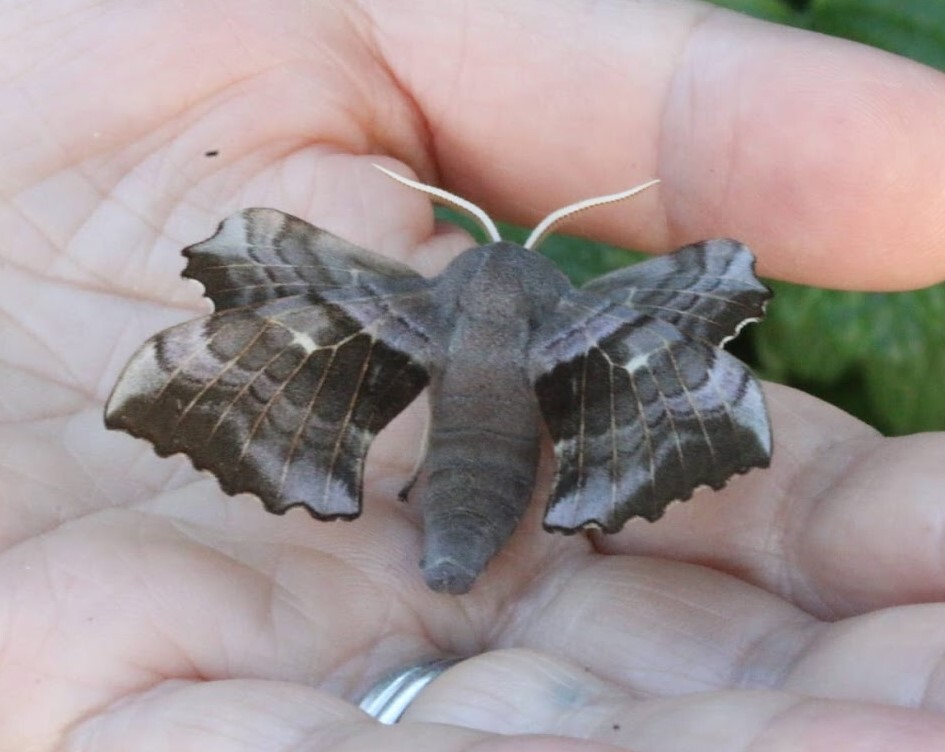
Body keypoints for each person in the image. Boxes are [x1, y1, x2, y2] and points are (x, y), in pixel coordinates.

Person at [2, 2, 945, 749]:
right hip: (511, 478)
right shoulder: (610, 313)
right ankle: (585, 476)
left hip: (438, 456)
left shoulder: (375, 298)